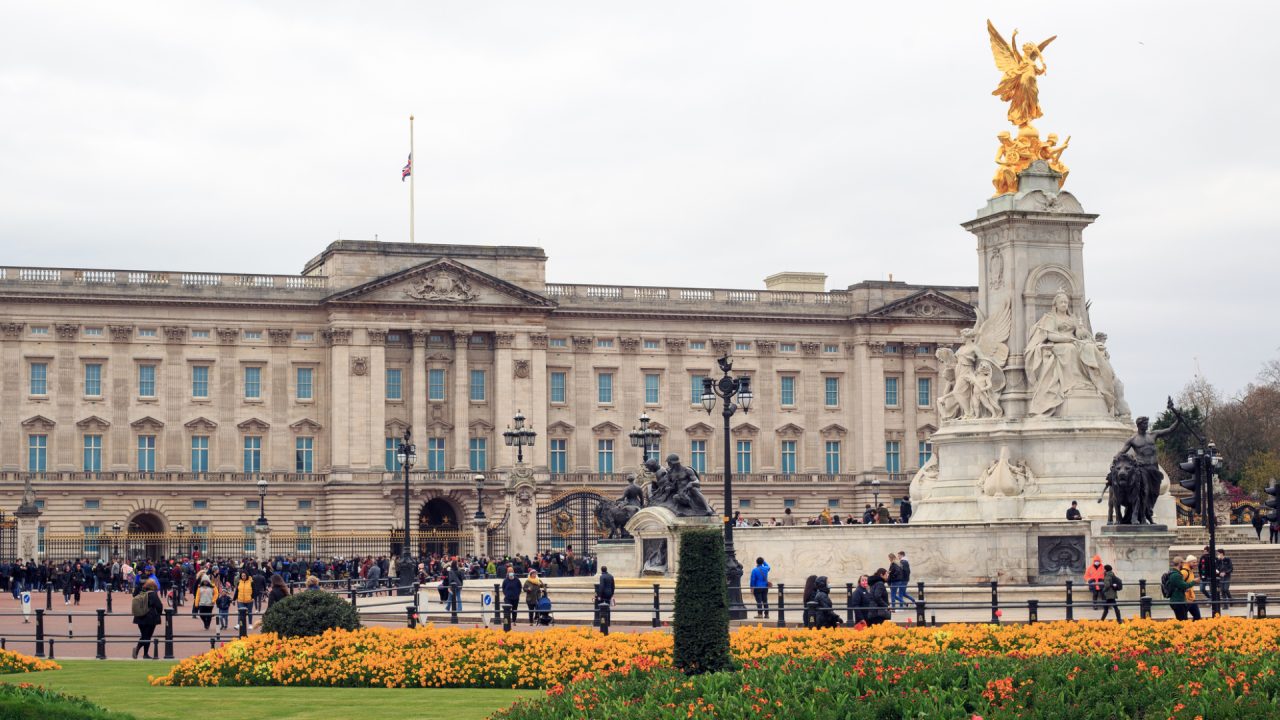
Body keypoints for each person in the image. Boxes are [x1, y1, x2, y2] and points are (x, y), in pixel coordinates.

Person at [132, 578, 163, 659]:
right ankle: (139, 650)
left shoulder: (141, 593)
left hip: (139, 617)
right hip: (150, 618)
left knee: (144, 635)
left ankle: (145, 654)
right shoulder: (153, 594)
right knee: (147, 636)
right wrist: (159, 613)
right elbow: (159, 606)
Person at [1168, 556, 1200, 621]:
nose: (1184, 565)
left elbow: (1179, 586)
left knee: (1185, 619)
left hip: (1181, 600)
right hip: (1178, 600)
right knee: (1183, 621)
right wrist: (1194, 581)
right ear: (1180, 563)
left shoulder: (1176, 573)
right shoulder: (1176, 575)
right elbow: (1183, 585)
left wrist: (1185, 589)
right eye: (1183, 563)